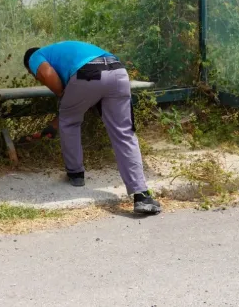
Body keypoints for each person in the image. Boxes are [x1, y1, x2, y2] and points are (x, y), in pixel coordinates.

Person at [24, 41, 162, 216]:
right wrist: (53, 126)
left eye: (32, 74)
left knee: (70, 122)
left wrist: (63, 95)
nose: (35, 77)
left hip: (88, 74)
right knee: (124, 133)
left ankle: (76, 174)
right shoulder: (60, 50)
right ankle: (141, 195)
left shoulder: (35, 56)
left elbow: (46, 73)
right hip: (117, 71)